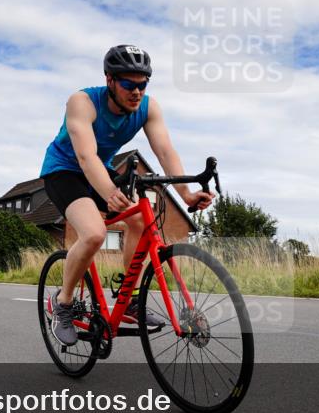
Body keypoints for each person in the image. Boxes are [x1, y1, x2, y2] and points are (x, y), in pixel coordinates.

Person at [40, 45, 214, 345]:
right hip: (65, 170)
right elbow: (85, 156)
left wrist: (185, 193)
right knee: (94, 234)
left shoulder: (149, 107)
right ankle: (63, 303)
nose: (137, 91)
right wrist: (108, 192)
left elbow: (164, 150)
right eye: (128, 84)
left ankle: (130, 297)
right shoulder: (82, 102)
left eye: (142, 84)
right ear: (110, 80)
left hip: (100, 168)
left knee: (140, 222)